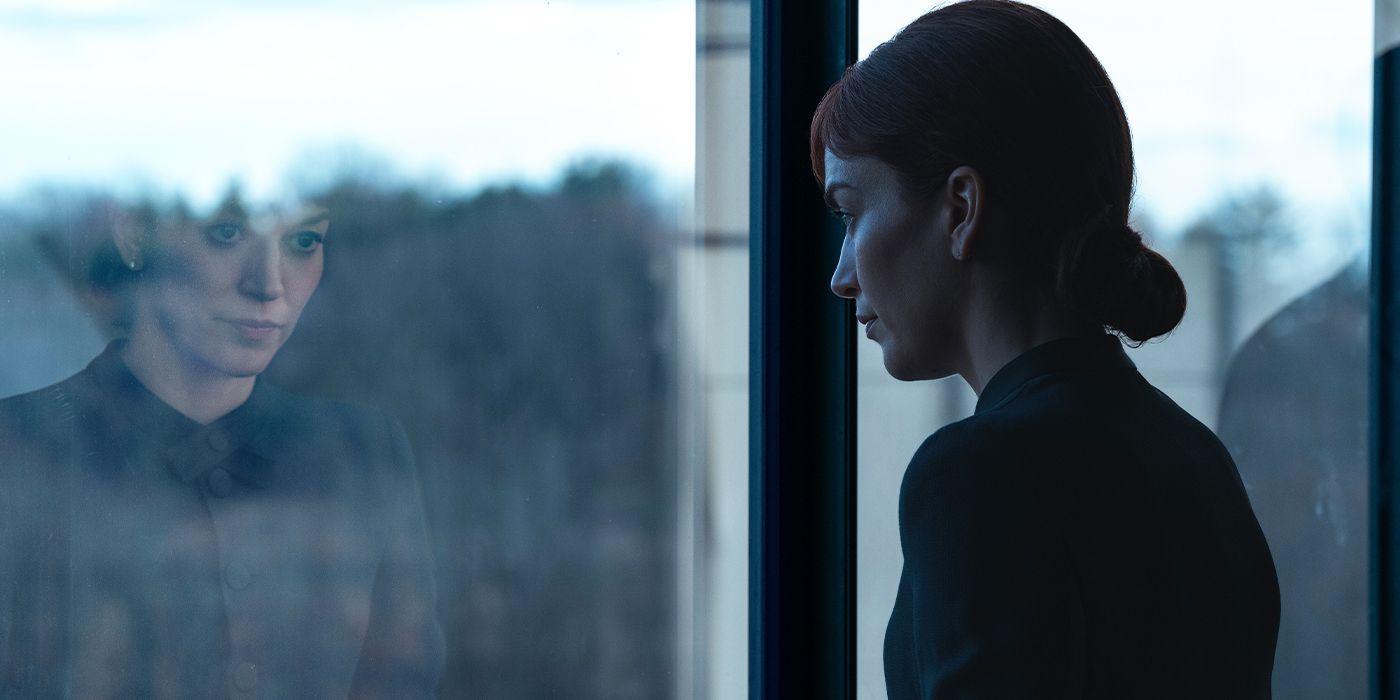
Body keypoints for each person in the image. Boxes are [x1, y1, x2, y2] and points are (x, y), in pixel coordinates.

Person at [813, 1, 1280, 697]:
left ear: (962, 209)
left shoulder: (976, 475)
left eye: (850, 213)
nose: (840, 276)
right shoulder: (1194, 458)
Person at [0, 192, 444, 696]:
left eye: (303, 241)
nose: (269, 284)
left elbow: (404, 678)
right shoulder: (16, 450)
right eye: (227, 234)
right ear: (133, 234)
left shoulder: (364, 450)